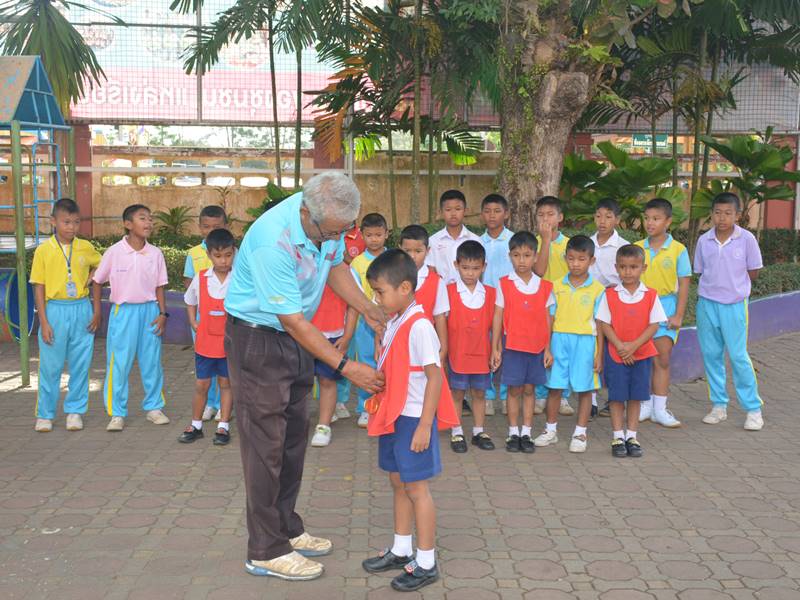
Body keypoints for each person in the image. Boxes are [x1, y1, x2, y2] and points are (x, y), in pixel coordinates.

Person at [224, 172, 385, 582]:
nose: (338, 238)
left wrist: (367, 308)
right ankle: (265, 549)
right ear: (306, 214)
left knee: (293, 439)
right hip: (260, 340)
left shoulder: (326, 222)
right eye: (332, 232)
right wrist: (347, 367)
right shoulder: (272, 241)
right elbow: (292, 320)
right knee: (265, 446)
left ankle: (286, 527)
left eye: (344, 231)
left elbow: (335, 267)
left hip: (296, 338)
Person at [361, 249, 458, 592]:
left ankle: (426, 561)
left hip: (414, 418)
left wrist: (424, 426)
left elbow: (435, 377)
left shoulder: (420, 326)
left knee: (417, 488)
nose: (377, 299)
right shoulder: (397, 319)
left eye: (380, 292)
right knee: (397, 481)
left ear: (404, 288)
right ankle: (402, 548)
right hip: (394, 414)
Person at [92, 204, 170, 432]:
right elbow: (97, 281)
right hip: (123, 313)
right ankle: (117, 413)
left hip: (150, 312)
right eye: (142, 218)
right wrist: (97, 311)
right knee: (119, 363)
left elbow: (160, 286)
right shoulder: (114, 252)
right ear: (128, 224)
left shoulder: (155, 253)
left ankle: (154, 408)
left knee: (152, 362)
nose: (148, 223)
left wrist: (162, 314)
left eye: (150, 219)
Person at [694, 192, 764, 431]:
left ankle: (753, 409)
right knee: (711, 355)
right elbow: (700, 270)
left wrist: (735, 287)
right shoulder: (704, 241)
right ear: (711, 214)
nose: (722, 218)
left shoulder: (747, 239)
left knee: (737, 356)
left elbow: (754, 271)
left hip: (734, 305)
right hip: (707, 304)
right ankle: (718, 405)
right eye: (717, 213)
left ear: (737, 215)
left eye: (727, 213)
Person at [30, 198, 102, 432]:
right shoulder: (43, 251)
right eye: (66, 222)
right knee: (50, 366)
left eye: (76, 222)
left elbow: (102, 266)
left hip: (81, 308)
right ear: (53, 222)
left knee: (81, 364)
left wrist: (92, 279)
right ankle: (45, 414)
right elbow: (38, 286)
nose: (72, 227)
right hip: (54, 310)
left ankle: (75, 411)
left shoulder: (85, 247)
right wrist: (43, 321)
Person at [534, 235, 605, 453]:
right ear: (565, 258)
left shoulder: (598, 290)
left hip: (585, 342)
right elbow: (549, 319)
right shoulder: (556, 286)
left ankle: (580, 433)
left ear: (591, 261)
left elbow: (600, 323)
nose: (576, 264)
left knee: (585, 389)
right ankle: (550, 430)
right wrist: (547, 348)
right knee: (555, 387)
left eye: (581, 259)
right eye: (571, 258)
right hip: (559, 341)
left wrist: (599, 354)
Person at [596, 245, 667, 458]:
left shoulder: (650, 295)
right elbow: (604, 324)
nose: (628, 272)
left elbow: (654, 325)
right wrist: (620, 346)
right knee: (617, 397)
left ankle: (632, 436)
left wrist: (634, 346)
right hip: (616, 355)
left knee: (636, 396)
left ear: (643, 268)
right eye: (623, 267)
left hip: (641, 355)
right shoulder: (609, 295)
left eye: (633, 267)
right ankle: (618, 436)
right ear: (616, 267)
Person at [490, 231, 554, 453]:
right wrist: (495, 347)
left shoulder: (544, 286)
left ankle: (526, 432)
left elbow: (548, 319)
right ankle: (513, 433)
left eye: (527, 255)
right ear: (510, 256)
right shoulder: (504, 284)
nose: (522, 261)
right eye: (517, 255)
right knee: (514, 390)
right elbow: (498, 316)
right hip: (513, 347)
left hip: (536, 348)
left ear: (535, 257)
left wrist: (548, 348)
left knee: (529, 389)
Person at [635, 198, 691, 428]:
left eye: (656, 219)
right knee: (642, 360)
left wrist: (678, 315)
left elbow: (684, 284)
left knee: (662, 358)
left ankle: (660, 408)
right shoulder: (637, 248)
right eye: (647, 218)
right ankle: (645, 404)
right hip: (640, 308)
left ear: (668, 221)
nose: (650, 223)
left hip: (666, 309)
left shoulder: (678, 250)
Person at [179, 228, 236, 446]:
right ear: (209, 255)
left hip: (228, 343)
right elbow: (189, 300)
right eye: (218, 256)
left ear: (234, 253)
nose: (223, 261)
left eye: (228, 255)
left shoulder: (238, 278)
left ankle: (223, 426)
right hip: (205, 343)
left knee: (226, 383)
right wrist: (193, 321)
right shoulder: (201, 277)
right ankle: (196, 425)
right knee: (201, 385)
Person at [446, 241, 496, 453]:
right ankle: (456, 431)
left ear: (484, 267)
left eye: (475, 268)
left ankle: (478, 431)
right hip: (457, 353)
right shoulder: (448, 292)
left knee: (479, 393)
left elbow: (496, 327)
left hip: (482, 353)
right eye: (465, 267)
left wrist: (496, 350)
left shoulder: (491, 293)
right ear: (456, 265)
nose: (470, 273)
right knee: (457, 393)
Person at [183, 205, 228, 422]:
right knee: (206, 364)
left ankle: (221, 405)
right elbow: (188, 286)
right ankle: (209, 404)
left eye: (216, 226)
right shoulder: (193, 254)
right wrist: (194, 320)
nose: (211, 231)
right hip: (203, 321)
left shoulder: (233, 254)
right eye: (206, 227)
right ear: (200, 228)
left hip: (226, 322)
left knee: (224, 366)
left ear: (226, 226)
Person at [534, 196, 573, 417]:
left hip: (564, 304)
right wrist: (545, 241)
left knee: (561, 350)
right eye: (541, 215)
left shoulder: (569, 245)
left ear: (560, 217)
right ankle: (541, 395)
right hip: (540, 304)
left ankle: (562, 395)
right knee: (542, 347)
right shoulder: (534, 243)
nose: (545, 219)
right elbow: (539, 271)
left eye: (550, 214)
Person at [351, 213, 390, 427]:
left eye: (378, 234)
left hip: (391, 321)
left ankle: (388, 404)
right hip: (364, 324)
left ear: (386, 234)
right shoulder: (357, 263)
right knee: (366, 363)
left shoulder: (394, 258)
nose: (374, 239)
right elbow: (354, 294)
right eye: (369, 235)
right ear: (362, 236)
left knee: (388, 364)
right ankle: (365, 407)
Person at [589, 197, 626, 418]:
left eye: (608, 217)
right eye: (598, 216)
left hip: (614, 304)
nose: (602, 221)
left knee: (612, 352)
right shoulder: (587, 244)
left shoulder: (623, 247)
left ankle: (614, 398)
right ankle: (591, 400)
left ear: (617, 220)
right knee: (592, 350)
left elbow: (629, 278)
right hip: (589, 304)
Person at [309, 284, 356, 447]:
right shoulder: (301, 270)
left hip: (333, 336)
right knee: (297, 380)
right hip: (302, 332)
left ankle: (323, 426)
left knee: (327, 380)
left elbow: (353, 305)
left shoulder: (345, 275)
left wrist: (347, 336)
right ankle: (292, 422)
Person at [479, 193, 514, 415]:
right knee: (487, 348)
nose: (492, 215)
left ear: (506, 214)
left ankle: (507, 395)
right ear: (482, 215)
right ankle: (488, 396)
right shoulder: (476, 241)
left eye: (497, 211)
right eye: (487, 211)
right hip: (484, 303)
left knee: (508, 349)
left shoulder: (514, 240)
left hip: (509, 303)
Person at [398, 225, 449, 361]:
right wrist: (378, 342)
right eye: (407, 251)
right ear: (400, 249)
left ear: (428, 251)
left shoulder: (437, 282)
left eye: (418, 251)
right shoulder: (391, 278)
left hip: (427, 347)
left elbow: (440, 318)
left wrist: (443, 349)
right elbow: (384, 314)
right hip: (398, 346)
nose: (412, 256)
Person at [333, 226, 368, 420]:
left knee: (350, 359)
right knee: (330, 364)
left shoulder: (360, 239)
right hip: (328, 318)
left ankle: (355, 403)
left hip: (354, 319)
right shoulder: (326, 237)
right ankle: (335, 402)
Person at [427, 189, 482, 285]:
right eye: (448, 210)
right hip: (442, 290)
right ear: (441, 212)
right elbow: (431, 271)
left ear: (465, 211)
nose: (453, 214)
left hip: (468, 291)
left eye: (458, 209)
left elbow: (479, 271)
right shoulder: (433, 241)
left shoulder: (475, 240)